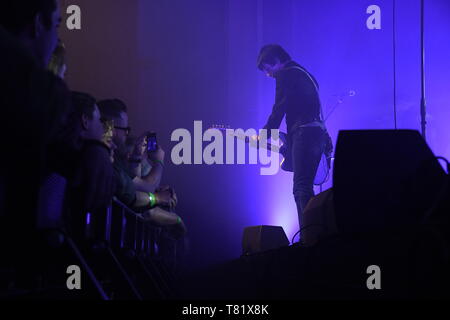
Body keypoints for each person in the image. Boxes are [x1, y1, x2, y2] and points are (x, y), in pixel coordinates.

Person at [257, 44, 333, 239]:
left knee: (301, 187)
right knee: (305, 185)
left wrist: (266, 132)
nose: (268, 75)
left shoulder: (286, 74)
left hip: (304, 135)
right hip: (317, 134)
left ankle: (309, 236)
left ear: (275, 61)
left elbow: (280, 106)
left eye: (267, 69)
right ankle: (316, 232)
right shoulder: (305, 74)